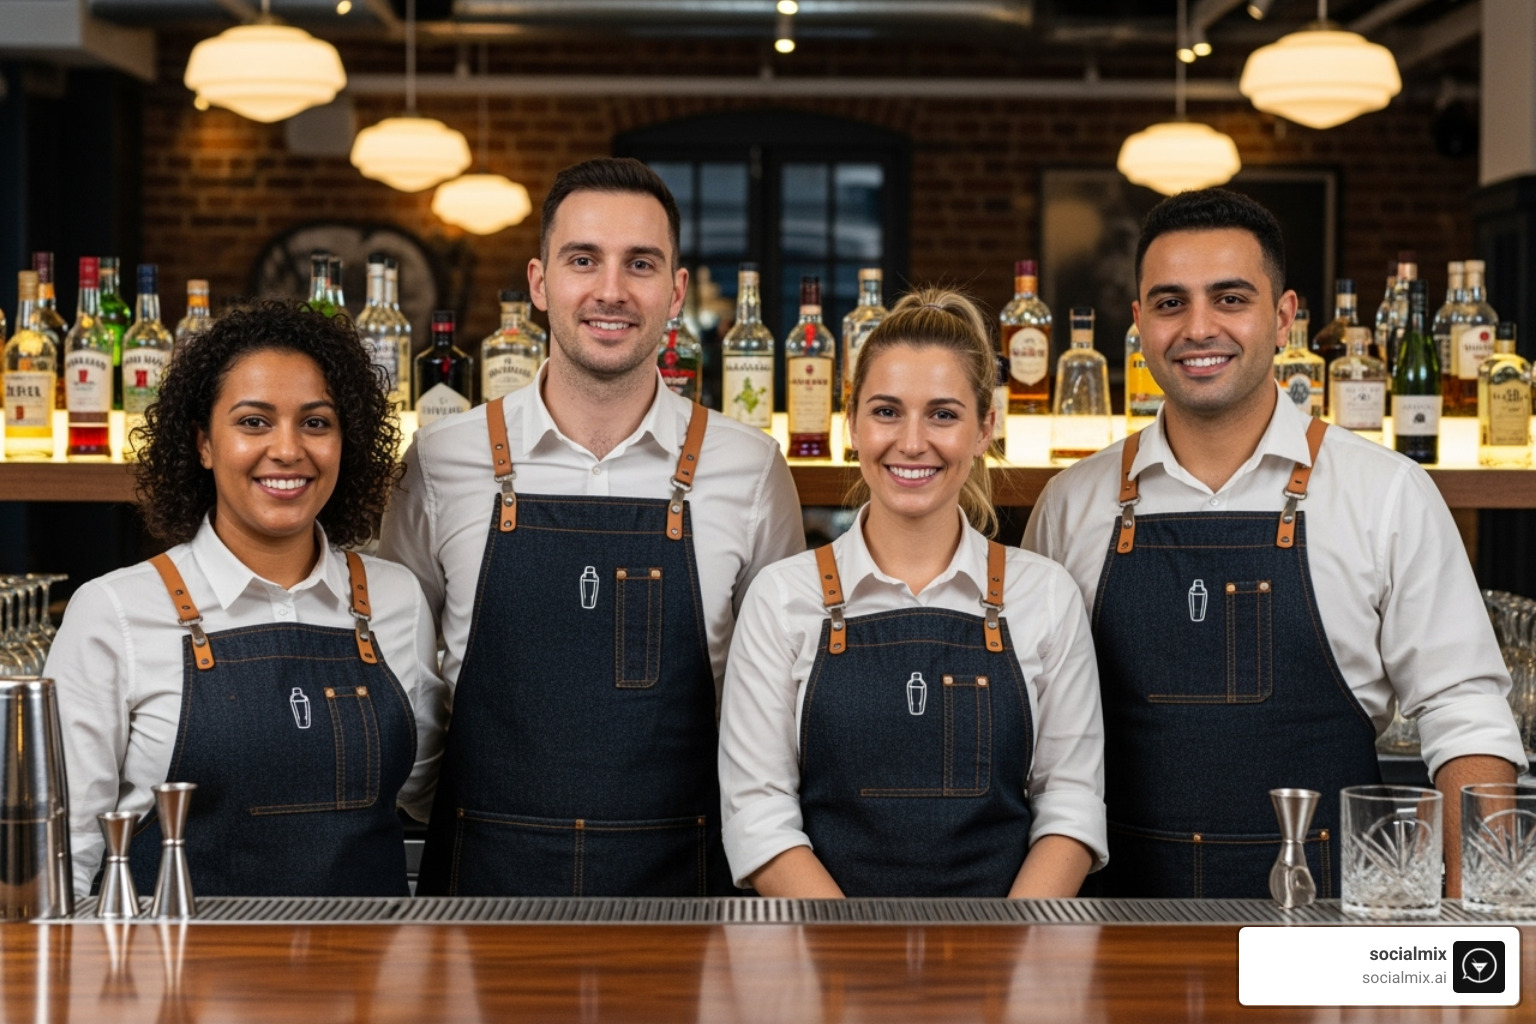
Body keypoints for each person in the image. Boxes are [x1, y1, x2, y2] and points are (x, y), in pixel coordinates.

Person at [1023, 188, 1527, 899]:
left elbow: (1465, 716)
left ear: (1284, 316)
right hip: (1115, 936)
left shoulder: (1385, 492)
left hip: (1334, 934)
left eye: (1230, 299)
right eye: (1170, 303)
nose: (1199, 328)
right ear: (1138, 323)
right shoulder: (1072, 504)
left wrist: (1479, 917)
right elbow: (1038, 739)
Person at [380, 157, 804, 897]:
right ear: (541, 283)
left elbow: (774, 706)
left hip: (688, 889)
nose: (611, 291)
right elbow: (407, 691)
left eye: (639, 264)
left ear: (675, 292)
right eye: (584, 260)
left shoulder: (750, 469)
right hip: (483, 889)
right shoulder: (443, 462)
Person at [45, 301, 447, 898]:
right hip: (176, 983)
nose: (288, 450)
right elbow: (61, 865)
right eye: (254, 422)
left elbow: (424, 790)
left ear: (346, 441)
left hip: (369, 981)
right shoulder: (115, 612)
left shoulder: (394, 598)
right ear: (203, 443)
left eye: (316, 423)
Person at [718, 288, 1106, 897]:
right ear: (852, 424)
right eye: (887, 411)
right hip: (824, 966)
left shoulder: (1046, 595)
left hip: (1005, 963)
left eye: (944, 414)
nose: (913, 441)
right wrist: (849, 964)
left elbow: (1071, 804)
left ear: (986, 428)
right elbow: (758, 817)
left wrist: (1007, 958)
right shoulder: (781, 598)